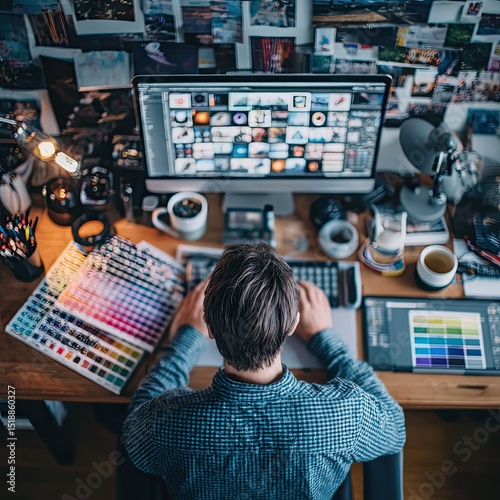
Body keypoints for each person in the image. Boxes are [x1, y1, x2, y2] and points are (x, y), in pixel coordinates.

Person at [122, 242, 406, 499]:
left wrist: (184, 342)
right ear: (293, 324)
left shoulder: (166, 425)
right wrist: (325, 338)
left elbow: (133, 441)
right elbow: (394, 428)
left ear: (208, 324)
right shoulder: (346, 415)